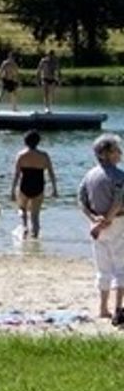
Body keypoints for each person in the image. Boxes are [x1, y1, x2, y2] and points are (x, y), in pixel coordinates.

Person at [76, 134, 124, 324]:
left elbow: (81, 199)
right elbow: (119, 200)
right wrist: (108, 219)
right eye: (117, 150)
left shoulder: (89, 175)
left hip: (96, 225)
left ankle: (102, 307)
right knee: (121, 266)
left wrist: (94, 219)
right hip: (118, 222)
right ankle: (117, 308)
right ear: (107, 153)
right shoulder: (119, 176)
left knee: (102, 267)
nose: (120, 153)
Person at [10, 130, 58, 240]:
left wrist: (12, 190)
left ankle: (24, 226)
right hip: (39, 185)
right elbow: (51, 172)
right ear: (38, 142)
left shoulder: (21, 155)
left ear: (25, 142)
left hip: (24, 185)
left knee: (22, 208)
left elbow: (16, 175)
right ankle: (35, 236)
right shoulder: (44, 156)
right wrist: (54, 188)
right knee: (35, 215)